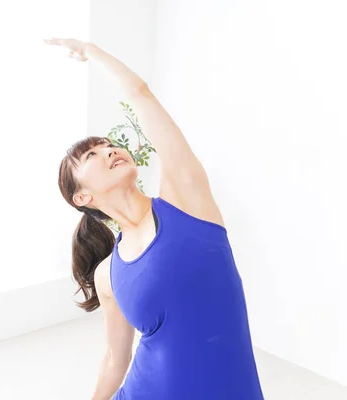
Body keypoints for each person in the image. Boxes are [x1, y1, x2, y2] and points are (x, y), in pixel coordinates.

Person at [46, 38, 265, 400]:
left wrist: (92, 51)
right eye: (92, 155)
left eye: (108, 145)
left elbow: (141, 94)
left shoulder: (185, 199)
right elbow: (116, 360)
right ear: (82, 197)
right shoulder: (108, 274)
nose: (109, 150)